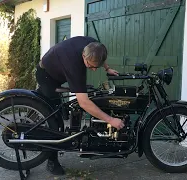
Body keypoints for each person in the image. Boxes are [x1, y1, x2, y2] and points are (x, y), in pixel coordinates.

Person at [35, 36, 125, 175]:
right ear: (84, 56)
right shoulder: (74, 64)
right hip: (47, 75)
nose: (94, 70)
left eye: (97, 67)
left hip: (58, 66)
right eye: (90, 66)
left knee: (63, 109)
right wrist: (111, 120)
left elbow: (101, 57)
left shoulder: (93, 45)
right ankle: (52, 161)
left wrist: (107, 68)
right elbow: (84, 102)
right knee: (55, 122)